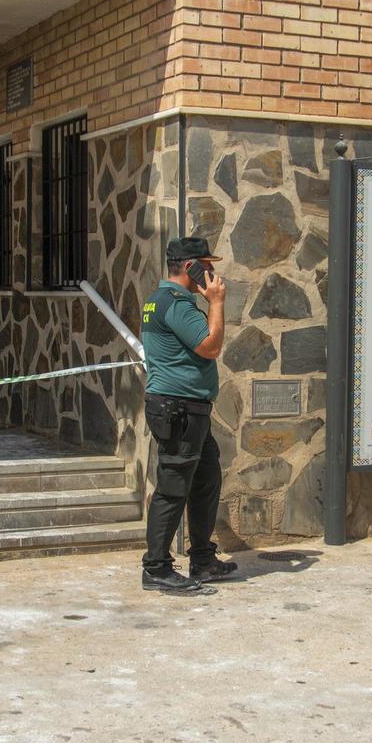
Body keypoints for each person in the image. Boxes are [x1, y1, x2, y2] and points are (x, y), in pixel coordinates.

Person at [139, 237, 238, 594]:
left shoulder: (161, 300)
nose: (211, 272)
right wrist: (217, 302)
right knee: (173, 487)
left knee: (206, 479)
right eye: (206, 265)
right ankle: (156, 568)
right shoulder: (176, 303)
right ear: (189, 266)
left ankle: (202, 559)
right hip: (178, 410)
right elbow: (210, 346)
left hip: (187, 410)